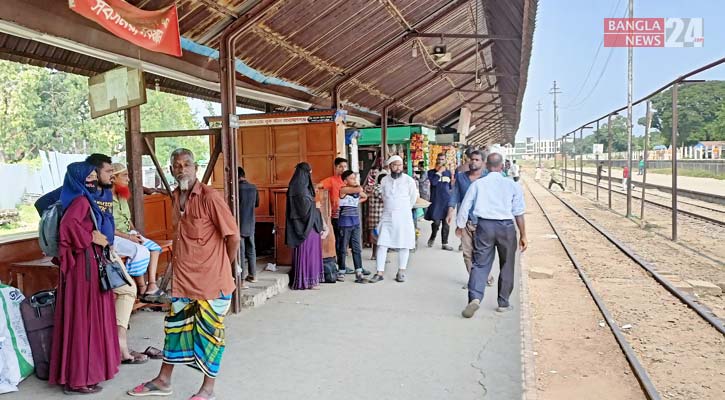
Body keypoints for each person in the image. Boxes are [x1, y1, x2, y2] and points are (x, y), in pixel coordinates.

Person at [128, 149, 240, 400]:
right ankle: (163, 380)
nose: (182, 169)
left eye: (187, 164)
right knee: (175, 331)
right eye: (177, 166)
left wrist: (223, 266)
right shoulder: (175, 196)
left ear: (196, 168)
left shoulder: (210, 197)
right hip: (183, 283)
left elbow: (233, 237)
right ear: (171, 171)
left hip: (211, 284)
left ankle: (207, 389)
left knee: (210, 337)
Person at [49, 162, 120, 395]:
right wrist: (92, 237)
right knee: (85, 319)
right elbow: (68, 227)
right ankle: (79, 378)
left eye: (93, 176)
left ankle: (79, 374)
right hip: (85, 267)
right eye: (88, 176)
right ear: (78, 179)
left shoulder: (78, 198)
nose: (92, 180)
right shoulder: (80, 201)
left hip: (84, 264)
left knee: (83, 317)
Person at [457, 153, 527, 318]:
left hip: (484, 226)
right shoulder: (512, 185)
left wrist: (460, 226)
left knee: (480, 264)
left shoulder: (478, 184)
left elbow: (465, 206)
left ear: (486, 166)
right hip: (506, 228)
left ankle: (474, 297)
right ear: (502, 166)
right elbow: (519, 212)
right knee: (507, 264)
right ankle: (503, 303)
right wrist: (523, 235)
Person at [111, 163, 164, 302]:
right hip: (115, 237)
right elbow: (106, 228)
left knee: (154, 248)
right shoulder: (104, 200)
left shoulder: (121, 195)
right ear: (113, 178)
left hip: (128, 234)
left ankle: (151, 284)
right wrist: (129, 237)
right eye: (124, 175)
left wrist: (134, 233)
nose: (128, 179)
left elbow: (127, 220)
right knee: (141, 251)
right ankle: (141, 288)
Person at [447, 150, 494, 289]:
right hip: (465, 220)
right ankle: (473, 280)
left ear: (483, 163)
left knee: (482, 252)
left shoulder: (488, 178)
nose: (473, 162)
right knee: (467, 252)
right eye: (472, 159)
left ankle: (486, 275)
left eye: (477, 160)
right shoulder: (461, 177)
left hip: (483, 221)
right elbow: (455, 195)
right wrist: (450, 212)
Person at [369, 155, 418, 283]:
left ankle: (401, 272)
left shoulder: (409, 181)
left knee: (404, 244)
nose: (397, 168)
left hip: (404, 216)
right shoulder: (384, 180)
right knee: (382, 243)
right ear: (390, 166)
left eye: (400, 165)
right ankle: (379, 273)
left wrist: (403, 208)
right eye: (395, 165)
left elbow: (413, 198)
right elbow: (384, 197)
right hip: (387, 216)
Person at [286, 162, 328, 290]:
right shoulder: (302, 190)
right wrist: (316, 207)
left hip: (302, 226)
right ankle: (308, 281)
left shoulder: (295, 187)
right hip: (308, 227)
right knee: (309, 254)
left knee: (308, 253)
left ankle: (306, 280)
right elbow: (306, 210)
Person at [338, 170, 368, 283]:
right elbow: (360, 189)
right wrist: (357, 187)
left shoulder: (355, 191)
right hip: (345, 223)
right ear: (345, 181)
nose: (354, 180)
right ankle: (341, 270)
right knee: (342, 248)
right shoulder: (343, 189)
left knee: (356, 247)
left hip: (355, 223)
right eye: (351, 178)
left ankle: (359, 271)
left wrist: (355, 202)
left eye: (355, 178)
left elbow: (364, 196)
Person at [319, 157, 348, 273]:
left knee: (346, 241)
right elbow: (318, 186)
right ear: (336, 168)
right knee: (339, 240)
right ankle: (339, 266)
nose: (343, 169)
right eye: (340, 166)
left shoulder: (349, 181)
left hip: (349, 215)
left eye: (345, 166)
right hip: (337, 215)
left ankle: (343, 265)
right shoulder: (331, 180)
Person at [425, 153, 454, 250]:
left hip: (446, 201)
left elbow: (450, 187)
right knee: (436, 222)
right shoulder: (431, 172)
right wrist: (439, 172)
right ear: (436, 160)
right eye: (439, 159)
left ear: (445, 160)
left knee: (446, 223)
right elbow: (433, 182)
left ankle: (444, 243)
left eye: (442, 159)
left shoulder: (448, 173)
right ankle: (433, 236)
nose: (440, 161)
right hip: (436, 201)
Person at [238, 167, 259, 284]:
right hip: (250, 222)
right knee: (251, 249)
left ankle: (241, 280)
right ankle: (253, 275)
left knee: (240, 251)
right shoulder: (253, 188)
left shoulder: (236, 188)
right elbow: (257, 204)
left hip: (239, 223)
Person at [365, 171, 386, 261]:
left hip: (378, 216)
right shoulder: (378, 188)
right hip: (377, 217)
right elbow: (385, 198)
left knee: (378, 238)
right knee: (378, 238)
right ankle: (375, 255)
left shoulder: (377, 187)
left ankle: (377, 255)